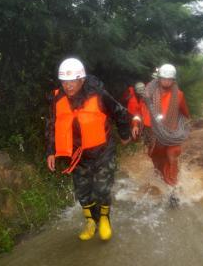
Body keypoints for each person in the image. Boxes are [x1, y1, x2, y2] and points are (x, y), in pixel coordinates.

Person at [45, 57, 137, 241]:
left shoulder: (99, 95)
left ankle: (104, 219)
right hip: (78, 155)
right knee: (82, 192)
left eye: (72, 81)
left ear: (82, 79)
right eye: (64, 81)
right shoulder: (57, 99)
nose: (68, 86)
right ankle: (90, 221)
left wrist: (125, 135)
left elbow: (119, 112)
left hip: (103, 151)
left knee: (102, 189)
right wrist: (50, 151)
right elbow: (51, 125)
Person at [141, 63, 190, 205]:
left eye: (169, 79)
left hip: (172, 134)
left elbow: (185, 112)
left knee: (172, 156)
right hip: (154, 135)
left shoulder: (179, 95)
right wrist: (137, 124)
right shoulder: (148, 94)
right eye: (164, 79)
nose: (166, 82)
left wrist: (186, 121)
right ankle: (161, 180)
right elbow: (141, 110)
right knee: (157, 161)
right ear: (159, 78)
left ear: (173, 80)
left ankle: (173, 190)